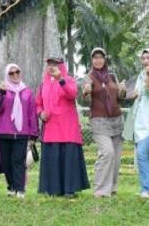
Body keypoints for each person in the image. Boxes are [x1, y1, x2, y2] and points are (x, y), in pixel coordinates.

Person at [36, 56, 89, 197]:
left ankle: (69, 190)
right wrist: (41, 113)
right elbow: (38, 103)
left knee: (68, 159)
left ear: (61, 66)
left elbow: (72, 94)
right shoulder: (43, 84)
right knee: (53, 158)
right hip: (51, 129)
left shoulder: (69, 80)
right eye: (50, 64)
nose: (52, 67)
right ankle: (53, 189)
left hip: (67, 129)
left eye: (55, 64)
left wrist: (61, 79)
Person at [81, 47, 125, 198]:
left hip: (116, 120)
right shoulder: (89, 77)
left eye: (101, 57)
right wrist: (86, 92)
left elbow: (120, 97)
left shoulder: (112, 76)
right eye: (95, 58)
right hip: (99, 121)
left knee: (116, 156)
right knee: (107, 152)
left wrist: (123, 91)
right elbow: (86, 99)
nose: (98, 60)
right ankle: (100, 190)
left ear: (105, 59)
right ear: (92, 60)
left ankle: (112, 189)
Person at [122, 48, 149, 198]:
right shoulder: (140, 76)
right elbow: (135, 94)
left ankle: (146, 188)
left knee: (141, 154)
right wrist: (124, 92)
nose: (146, 61)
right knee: (143, 156)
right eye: (143, 58)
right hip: (137, 122)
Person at [0, 63, 38, 198]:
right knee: (6, 162)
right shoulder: (3, 89)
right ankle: (11, 186)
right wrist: (1, 92)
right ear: (7, 75)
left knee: (18, 160)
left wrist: (33, 135)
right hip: (3, 132)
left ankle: (20, 188)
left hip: (21, 133)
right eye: (11, 73)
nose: (15, 75)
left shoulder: (27, 91)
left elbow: (31, 114)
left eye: (17, 72)